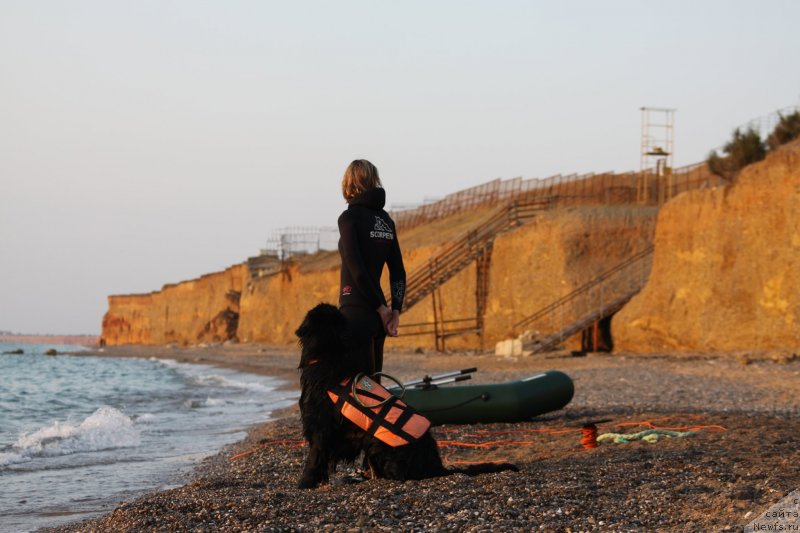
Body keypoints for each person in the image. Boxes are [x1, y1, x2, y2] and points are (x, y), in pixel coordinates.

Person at [337, 159, 406, 376]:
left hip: (355, 312)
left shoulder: (349, 219)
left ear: (349, 183)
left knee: (358, 390)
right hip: (379, 320)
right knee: (375, 386)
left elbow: (355, 266)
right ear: (373, 180)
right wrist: (394, 310)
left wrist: (380, 308)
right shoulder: (386, 221)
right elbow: (398, 271)